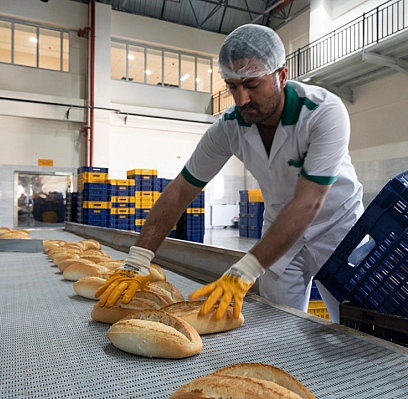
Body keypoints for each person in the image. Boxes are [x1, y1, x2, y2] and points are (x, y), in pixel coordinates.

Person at [95, 24, 363, 322]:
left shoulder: (322, 113)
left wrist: (246, 270)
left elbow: (309, 202)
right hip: (278, 231)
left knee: (354, 325)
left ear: (281, 76)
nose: (242, 98)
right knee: (279, 326)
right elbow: (180, 191)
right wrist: (138, 260)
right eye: (232, 86)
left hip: (336, 229)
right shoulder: (229, 128)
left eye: (252, 85)